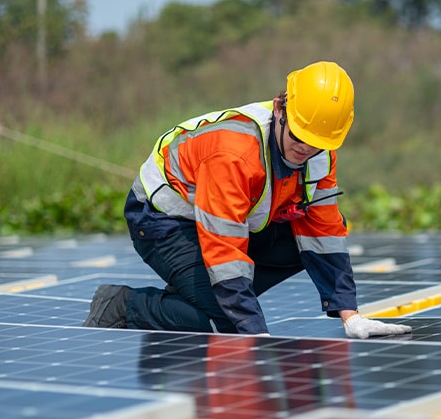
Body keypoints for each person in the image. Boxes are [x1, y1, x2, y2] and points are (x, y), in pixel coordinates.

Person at [83, 60, 411, 339]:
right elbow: (224, 249)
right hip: (161, 220)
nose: (305, 149)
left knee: (300, 244)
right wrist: (255, 334)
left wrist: (349, 315)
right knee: (226, 325)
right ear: (281, 108)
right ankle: (125, 304)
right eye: (299, 135)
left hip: (225, 222)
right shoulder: (235, 153)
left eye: (317, 142)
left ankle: (196, 293)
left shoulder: (319, 156)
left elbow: (324, 233)